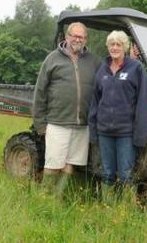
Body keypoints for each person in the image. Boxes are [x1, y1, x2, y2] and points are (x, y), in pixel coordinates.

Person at [33, 22, 101, 197]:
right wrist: (40, 124)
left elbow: (112, 72)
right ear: (67, 37)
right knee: (53, 163)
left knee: (71, 163)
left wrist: (132, 57)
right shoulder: (52, 59)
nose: (78, 39)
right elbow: (40, 92)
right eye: (74, 35)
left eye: (82, 36)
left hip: (82, 124)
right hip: (58, 122)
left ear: (86, 39)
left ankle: (57, 196)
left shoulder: (94, 61)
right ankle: (44, 197)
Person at [88, 30, 147, 201]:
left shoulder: (136, 68)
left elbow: (143, 103)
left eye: (118, 44)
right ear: (108, 47)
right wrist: (93, 130)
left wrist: (140, 136)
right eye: (111, 44)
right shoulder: (102, 70)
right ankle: (108, 207)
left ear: (125, 47)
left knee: (125, 174)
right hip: (104, 132)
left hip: (126, 133)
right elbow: (95, 101)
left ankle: (125, 211)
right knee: (107, 172)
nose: (115, 47)